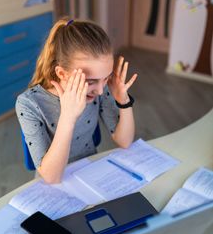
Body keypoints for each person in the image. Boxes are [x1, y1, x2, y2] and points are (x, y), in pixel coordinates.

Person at [16, 17, 137, 184]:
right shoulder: (29, 104)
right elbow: (51, 177)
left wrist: (123, 101)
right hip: (53, 180)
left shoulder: (100, 89)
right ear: (61, 74)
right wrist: (68, 117)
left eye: (105, 78)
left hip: (89, 171)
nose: (100, 90)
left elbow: (124, 141)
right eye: (90, 81)